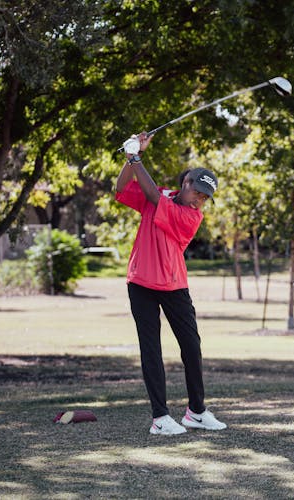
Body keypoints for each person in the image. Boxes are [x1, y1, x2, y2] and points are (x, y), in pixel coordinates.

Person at [115, 131, 226, 435]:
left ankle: (196, 411)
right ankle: (160, 418)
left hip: (175, 285)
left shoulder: (191, 216)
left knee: (191, 346)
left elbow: (151, 194)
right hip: (141, 282)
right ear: (185, 183)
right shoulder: (160, 194)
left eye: (206, 197)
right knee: (151, 348)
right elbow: (121, 187)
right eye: (198, 191)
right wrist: (130, 158)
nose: (200, 199)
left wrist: (137, 157)